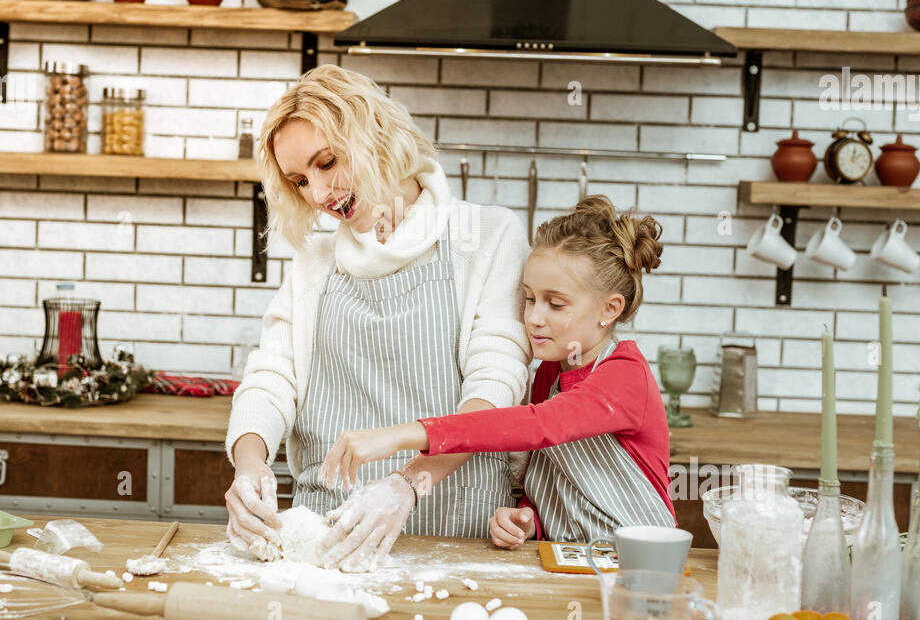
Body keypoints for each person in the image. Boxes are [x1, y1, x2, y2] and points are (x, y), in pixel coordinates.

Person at [224, 64, 530, 570]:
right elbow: (270, 378)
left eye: (328, 162)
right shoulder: (315, 263)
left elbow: (496, 388)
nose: (320, 194)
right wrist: (250, 464)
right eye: (301, 180)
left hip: (456, 541)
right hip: (324, 538)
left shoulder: (489, 235)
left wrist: (408, 483)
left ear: (376, 135)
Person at [320, 195, 676, 547]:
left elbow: (537, 426)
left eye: (555, 303)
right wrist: (527, 519)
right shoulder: (550, 375)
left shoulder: (625, 376)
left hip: (645, 563)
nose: (535, 317)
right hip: (573, 562)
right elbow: (563, 483)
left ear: (610, 309)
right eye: (530, 298)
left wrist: (399, 435)